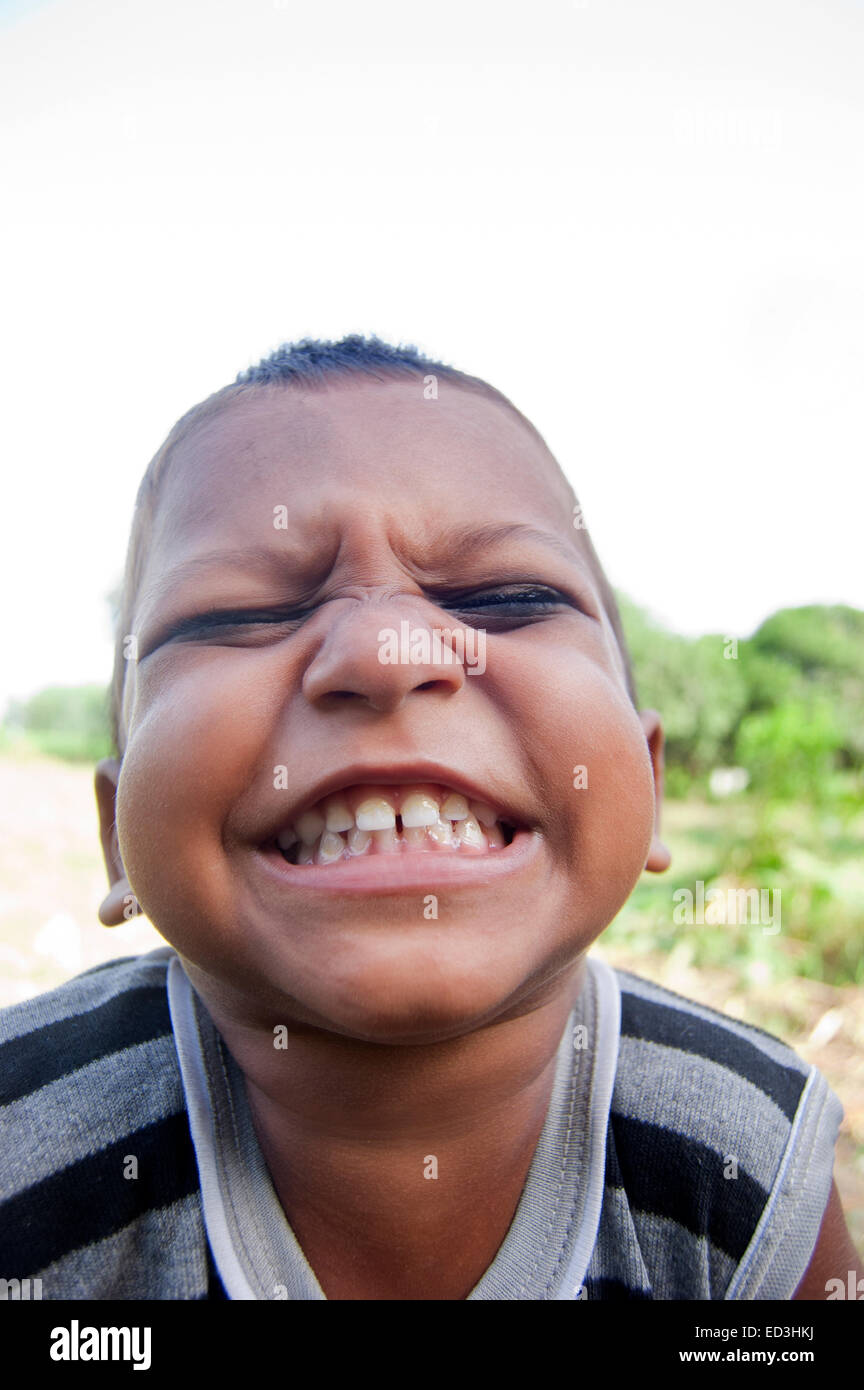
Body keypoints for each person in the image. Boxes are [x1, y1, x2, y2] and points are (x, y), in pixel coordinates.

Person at [1, 336, 859, 1300]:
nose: (383, 649)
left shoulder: (748, 1164)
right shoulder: (17, 1148)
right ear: (116, 829)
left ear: (649, 780)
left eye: (508, 598)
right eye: (238, 615)